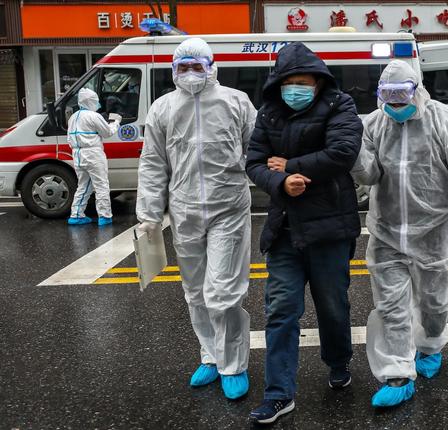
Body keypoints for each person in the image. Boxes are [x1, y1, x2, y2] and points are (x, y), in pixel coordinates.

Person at [352, 60, 448, 408]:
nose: (395, 105)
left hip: (433, 231)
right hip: (387, 232)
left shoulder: (445, 120)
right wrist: (353, 153)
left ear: (418, 90)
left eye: (402, 95)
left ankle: (430, 344)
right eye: (388, 97)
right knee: (391, 306)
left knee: (433, 302)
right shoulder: (375, 124)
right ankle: (397, 374)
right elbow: (368, 176)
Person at [245, 42, 362, 425]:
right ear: (278, 83)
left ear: (317, 80)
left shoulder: (339, 105)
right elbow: (254, 162)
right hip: (284, 230)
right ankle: (279, 394)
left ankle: (338, 361)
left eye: (303, 82)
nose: (296, 88)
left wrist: (293, 166)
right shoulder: (269, 112)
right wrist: (280, 182)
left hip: (330, 227)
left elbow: (344, 152)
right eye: (288, 82)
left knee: (332, 305)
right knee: (280, 311)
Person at [136, 38, 257, 400]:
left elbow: (258, 149)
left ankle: (233, 364)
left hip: (229, 209)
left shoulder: (236, 102)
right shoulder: (163, 108)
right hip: (185, 210)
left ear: (211, 66)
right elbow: (153, 162)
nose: (190, 73)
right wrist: (149, 214)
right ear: (173, 71)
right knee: (195, 292)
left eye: (197, 66)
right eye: (183, 67)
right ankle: (210, 354)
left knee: (222, 291)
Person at [66, 88, 121, 226]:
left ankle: (76, 215)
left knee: (84, 185)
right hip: (93, 154)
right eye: (95, 101)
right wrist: (116, 122)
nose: (98, 104)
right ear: (91, 101)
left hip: (77, 154)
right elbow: (107, 132)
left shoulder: (73, 117)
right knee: (101, 185)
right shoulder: (93, 116)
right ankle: (105, 216)